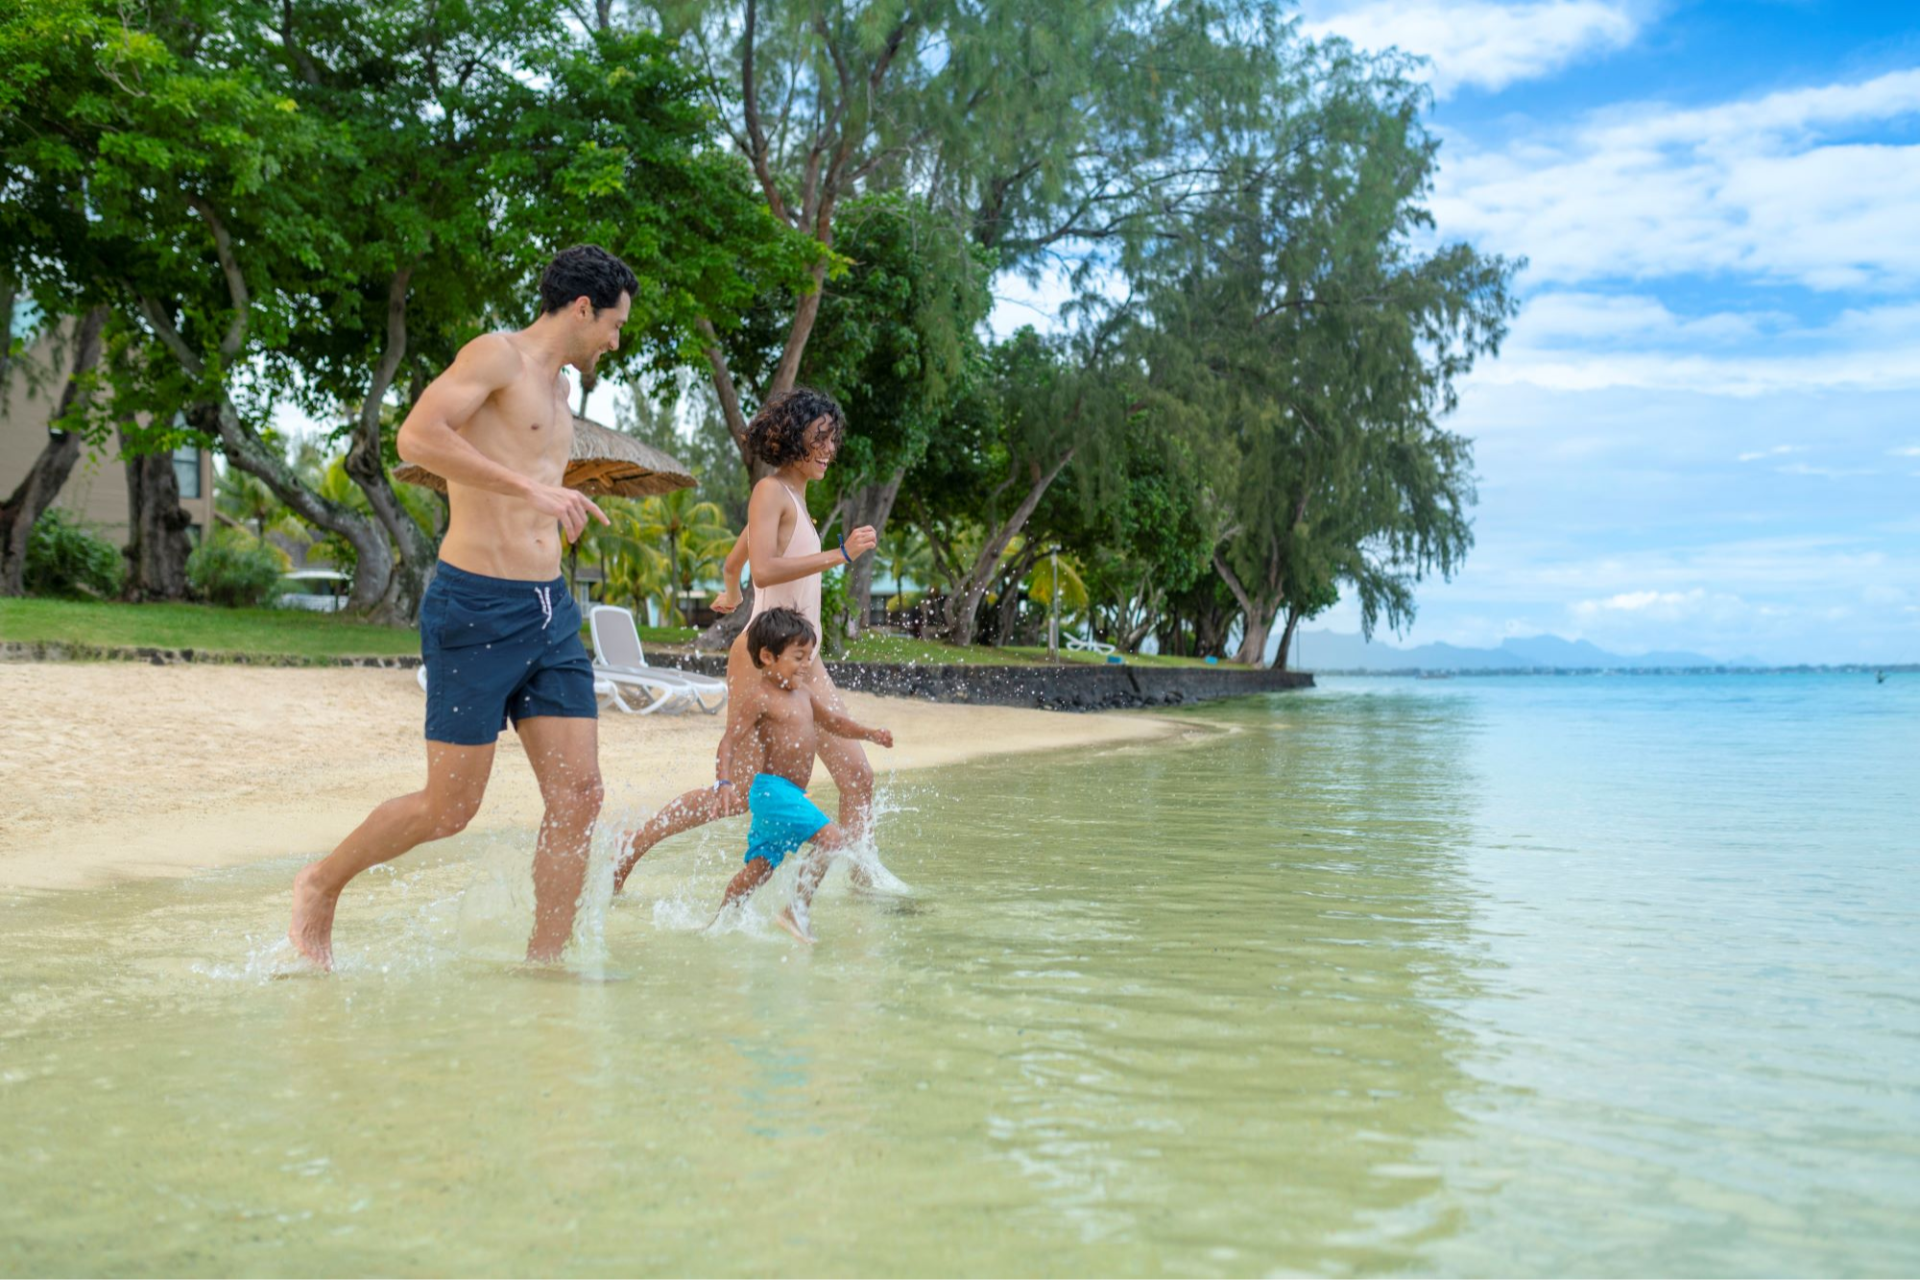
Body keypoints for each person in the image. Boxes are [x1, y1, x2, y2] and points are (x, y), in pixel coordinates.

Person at [286, 245, 633, 970]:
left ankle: (546, 966)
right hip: (476, 606)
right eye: (614, 324)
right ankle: (319, 885)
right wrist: (533, 490)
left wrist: (550, 497)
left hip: (550, 611)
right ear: (581, 308)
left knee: (581, 796)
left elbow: (532, 467)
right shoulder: (496, 356)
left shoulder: (562, 392)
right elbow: (416, 437)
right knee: (449, 810)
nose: (615, 340)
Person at [612, 388, 886, 892]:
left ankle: (864, 890)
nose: (829, 449)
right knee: (739, 794)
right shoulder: (770, 490)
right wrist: (839, 555)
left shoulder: (794, 497)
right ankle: (635, 841)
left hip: (805, 659)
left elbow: (742, 559)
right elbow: (766, 568)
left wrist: (729, 580)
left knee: (858, 778)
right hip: (763, 659)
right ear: (790, 438)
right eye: (818, 439)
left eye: (832, 439)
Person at [710, 608, 892, 944]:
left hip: (786, 794)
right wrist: (724, 782)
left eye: (809, 656)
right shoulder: (760, 699)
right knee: (833, 839)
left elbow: (835, 723)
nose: (807, 664)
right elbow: (728, 743)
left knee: (760, 869)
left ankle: (720, 924)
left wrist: (870, 733)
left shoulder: (805, 694)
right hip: (773, 792)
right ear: (767, 656)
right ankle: (796, 910)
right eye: (798, 657)